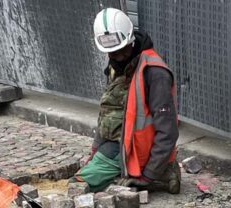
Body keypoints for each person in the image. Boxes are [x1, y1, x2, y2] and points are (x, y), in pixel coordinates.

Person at [72, 8, 180, 193]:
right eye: (112, 53)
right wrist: (95, 152)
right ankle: (163, 172)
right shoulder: (117, 65)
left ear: (130, 40)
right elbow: (108, 112)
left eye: (121, 51)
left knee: (78, 185)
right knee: (89, 175)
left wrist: (147, 176)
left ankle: (155, 171)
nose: (118, 57)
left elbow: (168, 131)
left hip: (135, 147)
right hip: (120, 143)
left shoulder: (155, 73)